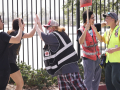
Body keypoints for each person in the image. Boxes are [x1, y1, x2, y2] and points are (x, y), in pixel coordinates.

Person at [35, 14, 87, 90]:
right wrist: (39, 24)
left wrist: (36, 27)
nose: (47, 30)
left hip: (69, 69)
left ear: (53, 28)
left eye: (48, 27)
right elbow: (43, 37)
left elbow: (44, 37)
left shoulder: (55, 35)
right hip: (62, 70)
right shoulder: (58, 35)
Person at [77, 10, 106, 90]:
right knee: (88, 80)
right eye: (92, 18)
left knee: (97, 79)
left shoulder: (94, 27)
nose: (94, 19)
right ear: (87, 19)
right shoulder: (81, 30)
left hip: (97, 58)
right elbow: (80, 41)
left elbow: (104, 24)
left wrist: (111, 21)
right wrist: (86, 30)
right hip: (88, 59)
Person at [93, 12, 120, 90]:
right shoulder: (108, 31)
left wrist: (114, 49)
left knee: (115, 81)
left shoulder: (119, 30)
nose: (105, 20)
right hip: (108, 61)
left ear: (113, 19)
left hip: (117, 61)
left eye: (107, 18)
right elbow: (101, 39)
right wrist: (95, 31)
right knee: (109, 83)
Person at [7, 18, 36, 90]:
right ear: (19, 25)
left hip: (7, 62)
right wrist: (36, 25)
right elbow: (30, 34)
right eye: (23, 23)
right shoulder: (16, 33)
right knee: (20, 83)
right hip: (9, 63)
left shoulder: (12, 32)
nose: (24, 24)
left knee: (4, 84)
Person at [0, 15, 23, 90]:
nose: (3, 23)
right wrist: (20, 28)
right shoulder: (2, 35)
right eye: (1, 21)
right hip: (3, 69)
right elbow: (17, 40)